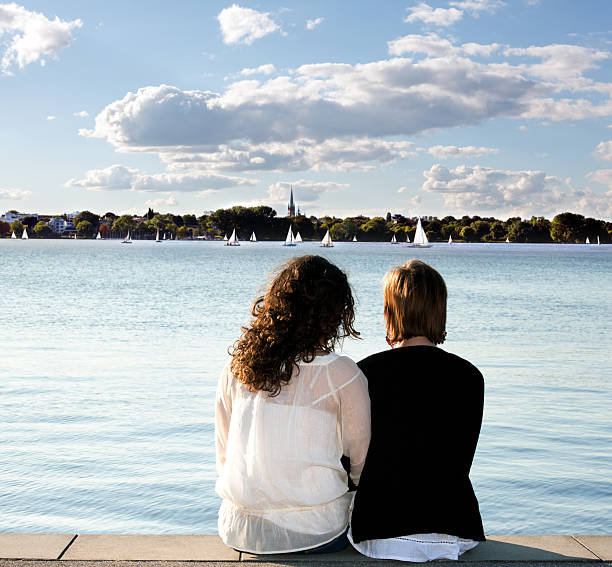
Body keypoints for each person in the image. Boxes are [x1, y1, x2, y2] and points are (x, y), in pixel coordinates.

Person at [215, 255, 371, 555]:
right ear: (335, 314)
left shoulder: (236, 367)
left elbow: (224, 453)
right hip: (317, 531)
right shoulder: (342, 374)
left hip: (241, 528)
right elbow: (361, 462)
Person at [349, 259, 485, 562]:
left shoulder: (364, 373)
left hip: (380, 529)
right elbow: (461, 460)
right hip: (455, 528)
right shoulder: (470, 376)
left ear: (388, 311)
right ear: (441, 310)